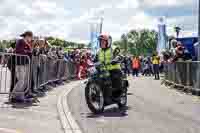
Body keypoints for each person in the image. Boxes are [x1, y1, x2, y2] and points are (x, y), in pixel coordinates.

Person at [11, 31, 33, 102]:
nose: (31, 38)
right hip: (20, 63)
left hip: (24, 63)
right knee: (21, 80)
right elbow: (19, 50)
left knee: (24, 81)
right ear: (27, 36)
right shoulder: (20, 41)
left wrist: (28, 51)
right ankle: (13, 96)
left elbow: (30, 51)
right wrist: (28, 52)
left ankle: (20, 96)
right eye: (31, 37)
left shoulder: (27, 43)